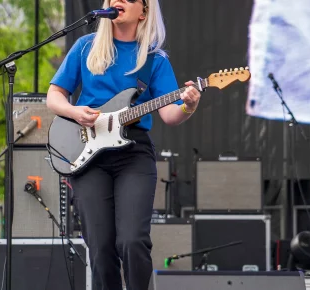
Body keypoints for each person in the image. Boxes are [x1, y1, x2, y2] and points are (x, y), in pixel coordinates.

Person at [46, 0, 201, 289]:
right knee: (100, 247)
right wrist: (75, 112)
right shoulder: (85, 46)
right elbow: (54, 95)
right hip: (88, 154)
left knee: (132, 240)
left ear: (144, 11)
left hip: (133, 154)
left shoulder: (155, 60)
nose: (118, 0)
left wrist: (188, 106)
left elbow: (169, 114)